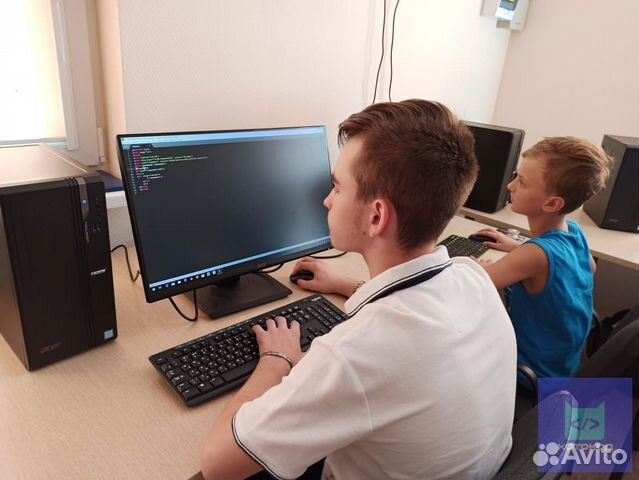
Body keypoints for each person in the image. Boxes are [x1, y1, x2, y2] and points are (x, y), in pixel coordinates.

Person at [199, 100, 517, 480]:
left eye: (337, 187)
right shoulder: (472, 276)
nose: (327, 200)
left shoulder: (355, 354)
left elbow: (216, 465)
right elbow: (410, 310)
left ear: (376, 216)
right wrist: (345, 284)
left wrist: (276, 359)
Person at [472, 137, 611, 382]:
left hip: (532, 375)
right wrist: (518, 248)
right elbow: (588, 267)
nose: (511, 186)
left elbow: (476, 283)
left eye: (522, 182)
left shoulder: (535, 254)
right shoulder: (574, 232)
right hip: (566, 366)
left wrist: (477, 267)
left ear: (552, 203)